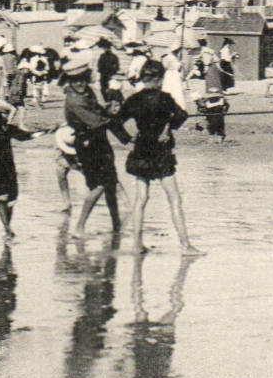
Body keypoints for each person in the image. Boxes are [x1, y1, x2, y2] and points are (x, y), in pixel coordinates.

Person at [112, 59, 201, 255]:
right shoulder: (164, 98)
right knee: (174, 199)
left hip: (141, 150)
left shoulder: (133, 100)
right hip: (161, 152)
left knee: (141, 199)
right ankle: (185, 245)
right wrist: (168, 128)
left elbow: (115, 122)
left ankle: (136, 244)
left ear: (143, 79)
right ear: (160, 79)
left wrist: (127, 140)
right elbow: (182, 115)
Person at [63, 57, 122, 235]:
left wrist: (107, 110)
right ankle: (79, 226)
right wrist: (125, 136)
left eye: (83, 78)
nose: (80, 83)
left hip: (99, 141)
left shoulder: (87, 92)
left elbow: (99, 113)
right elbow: (98, 122)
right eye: (75, 80)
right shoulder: (75, 101)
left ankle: (116, 224)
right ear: (69, 81)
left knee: (110, 183)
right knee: (99, 185)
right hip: (88, 144)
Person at [0, 97, 38, 238]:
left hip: (9, 169)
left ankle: (7, 227)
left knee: (10, 202)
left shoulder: (7, 129)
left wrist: (43, 132)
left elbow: (24, 136)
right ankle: (7, 229)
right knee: (1, 200)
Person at [53, 124, 81, 212]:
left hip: (80, 149)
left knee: (94, 176)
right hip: (63, 153)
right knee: (61, 173)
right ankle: (66, 203)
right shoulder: (62, 133)